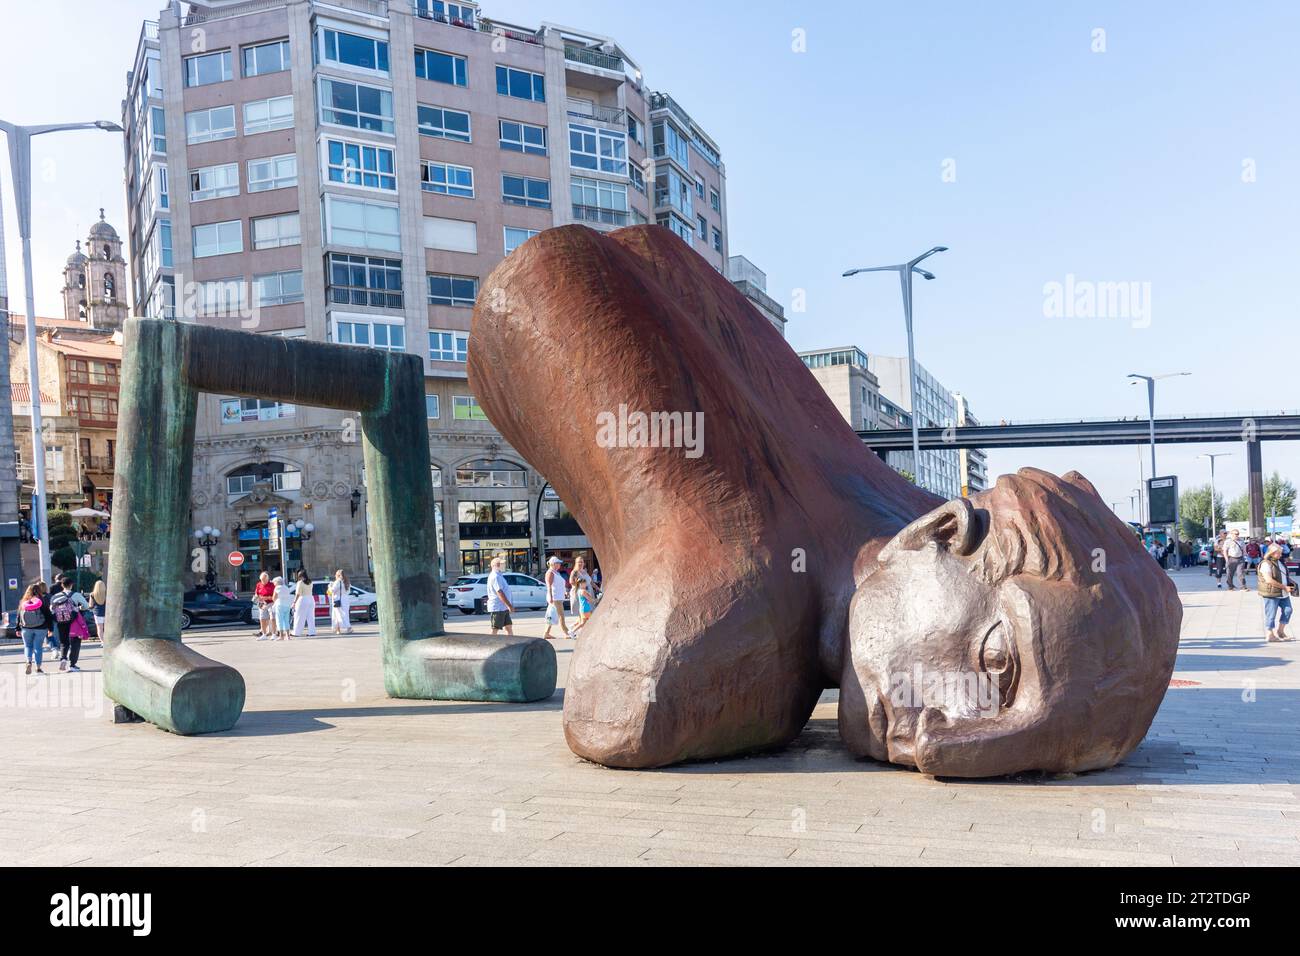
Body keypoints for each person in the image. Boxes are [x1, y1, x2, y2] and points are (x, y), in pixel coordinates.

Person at [50, 576, 91, 672]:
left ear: (62, 585)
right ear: (71, 585)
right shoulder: (76, 595)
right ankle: (72, 665)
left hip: (61, 622)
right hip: (74, 621)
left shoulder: (56, 596)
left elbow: (51, 609)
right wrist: (78, 609)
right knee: (75, 643)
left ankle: (63, 658)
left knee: (64, 642)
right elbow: (86, 606)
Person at [1258, 542, 1296, 643]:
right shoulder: (1266, 563)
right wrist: (1284, 587)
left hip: (1283, 592)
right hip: (1272, 593)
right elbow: (1269, 580)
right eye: (1278, 553)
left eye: (1281, 553)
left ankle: (1280, 631)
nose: (1280, 555)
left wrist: (1290, 583)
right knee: (1271, 614)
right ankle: (1270, 634)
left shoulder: (1280, 561)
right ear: (1271, 553)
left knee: (1288, 610)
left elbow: (1283, 575)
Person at [18, 582, 50, 675]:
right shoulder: (42, 601)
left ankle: (28, 661)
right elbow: (48, 615)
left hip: (26, 628)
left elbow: (18, 616)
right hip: (41, 628)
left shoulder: (23, 601)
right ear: (39, 591)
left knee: (28, 646)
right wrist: (50, 628)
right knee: (38, 647)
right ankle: (38, 668)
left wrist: (17, 628)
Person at [485, 555, 514, 636]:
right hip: (498, 607)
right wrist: (509, 605)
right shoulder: (495, 577)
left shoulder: (499, 575)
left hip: (502, 607)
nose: (502, 566)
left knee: (508, 627)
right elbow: (499, 592)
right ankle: (490, 646)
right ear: (494, 566)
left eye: (502, 564)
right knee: (495, 629)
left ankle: (511, 646)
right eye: (500, 564)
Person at [568, 555, 596, 637]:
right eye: (579, 562)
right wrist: (580, 587)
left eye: (582, 562)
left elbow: (591, 582)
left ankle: (573, 627)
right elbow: (571, 582)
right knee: (583, 612)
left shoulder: (584, 571)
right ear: (576, 563)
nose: (580, 563)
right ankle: (575, 630)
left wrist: (598, 588)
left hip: (587, 592)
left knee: (585, 612)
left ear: (584, 563)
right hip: (579, 593)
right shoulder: (575, 572)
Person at [542, 556, 568, 640]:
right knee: (561, 615)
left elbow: (560, 584)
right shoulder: (550, 573)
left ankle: (546, 633)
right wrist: (550, 597)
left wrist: (565, 591)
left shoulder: (556, 573)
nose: (559, 564)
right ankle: (566, 632)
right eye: (558, 563)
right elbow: (549, 586)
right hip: (555, 597)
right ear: (553, 564)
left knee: (551, 615)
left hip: (558, 597)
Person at [292, 569, 316, 638]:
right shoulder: (310, 582)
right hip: (311, 599)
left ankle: (296, 632)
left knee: (299, 616)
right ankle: (312, 632)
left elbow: (298, 594)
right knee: (311, 617)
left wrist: (294, 602)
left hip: (303, 600)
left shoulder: (300, 583)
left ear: (300, 576)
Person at [328, 569, 353, 635]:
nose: (335, 576)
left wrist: (330, 586)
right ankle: (338, 629)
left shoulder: (337, 582)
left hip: (338, 600)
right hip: (345, 599)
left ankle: (348, 627)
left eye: (336, 574)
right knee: (343, 614)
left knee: (340, 615)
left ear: (338, 575)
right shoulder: (346, 582)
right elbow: (348, 591)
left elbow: (332, 591)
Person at [253, 571, 275, 640]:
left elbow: (275, 595)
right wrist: (257, 597)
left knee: (272, 618)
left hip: (271, 603)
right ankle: (264, 634)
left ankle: (274, 634)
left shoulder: (272, 585)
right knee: (262, 619)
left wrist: (268, 597)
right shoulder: (259, 584)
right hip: (262, 603)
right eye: (262, 580)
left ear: (268, 579)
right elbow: (256, 593)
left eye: (265, 580)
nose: (263, 581)